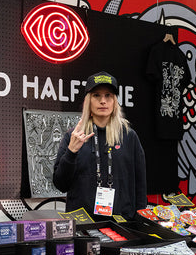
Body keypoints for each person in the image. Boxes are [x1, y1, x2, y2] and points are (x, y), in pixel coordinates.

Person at [53, 71, 147, 219]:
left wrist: (140, 219)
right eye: (96, 95)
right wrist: (71, 152)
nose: (103, 101)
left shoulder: (129, 136)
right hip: (83, 222)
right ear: (88, 101)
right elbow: (60, 184)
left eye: (108, 95)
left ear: (114, 101)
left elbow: (140, 184)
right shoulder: (74, 136)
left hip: (121, 222)